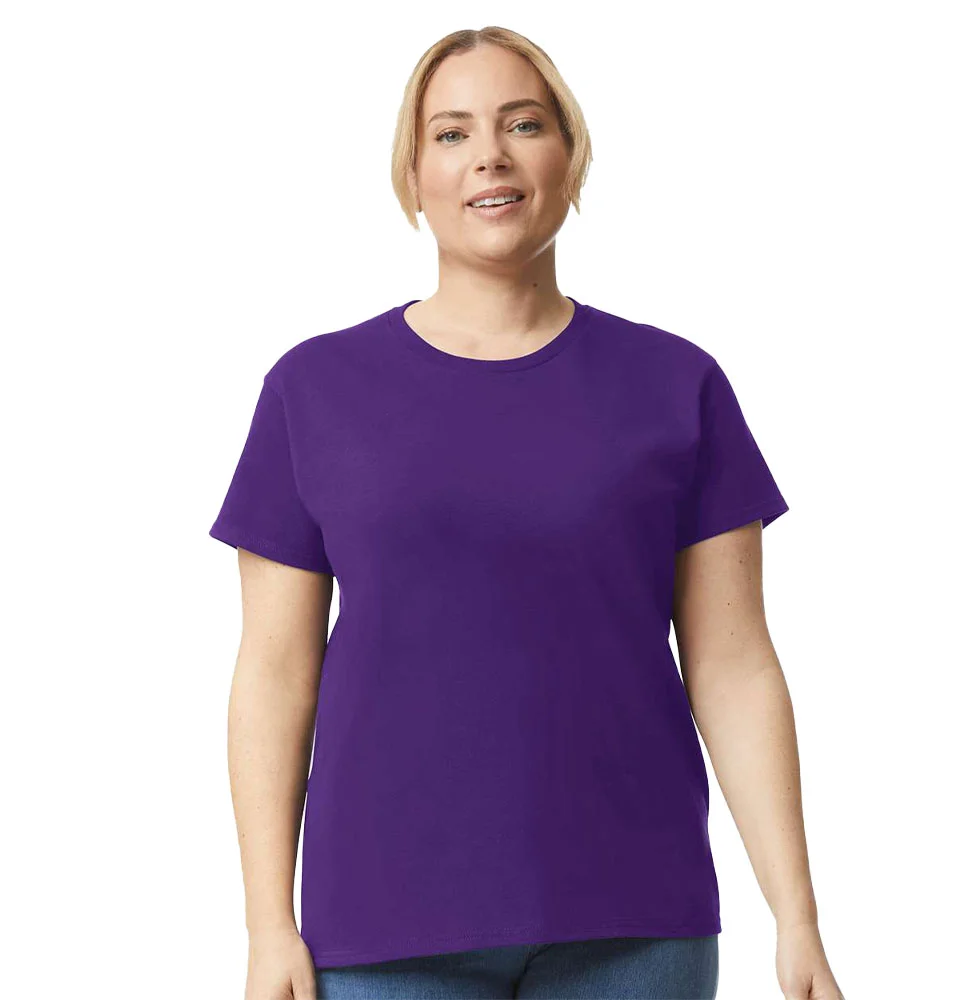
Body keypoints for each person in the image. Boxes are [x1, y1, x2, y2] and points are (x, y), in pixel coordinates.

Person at [209, 25, 845, 1000]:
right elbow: (273, 672)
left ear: (570, 155)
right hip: (383, 925)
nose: (489, 156)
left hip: (634, 922)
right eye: (452, 133)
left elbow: (733, 665)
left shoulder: (676, 385)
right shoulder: (314, 389)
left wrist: (796, 917)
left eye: (523, 124)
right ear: (413, 175)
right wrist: (266, 925)